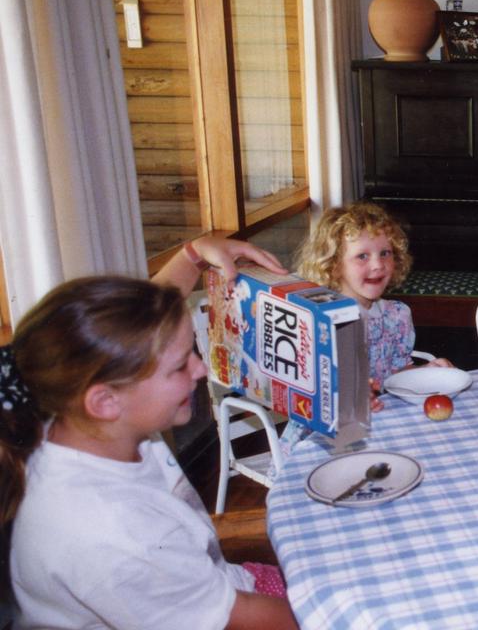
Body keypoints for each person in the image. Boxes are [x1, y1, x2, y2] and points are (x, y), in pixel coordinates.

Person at [1, 237, 299, 629]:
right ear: (105, 400)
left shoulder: (67, 410)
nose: (200, 371)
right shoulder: (112, 530)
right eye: (180, 366)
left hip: (214, 587)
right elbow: (237, 620)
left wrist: (194, 253)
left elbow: (146, 323)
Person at [296, 202, 454, 410]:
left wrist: (426, 371)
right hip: (328, 427)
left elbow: (396, 375)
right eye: (362, 256)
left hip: (383, 416)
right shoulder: (320, 320)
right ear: (334, 266)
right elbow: (306, 389)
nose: (378, 265)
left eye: (385, 253)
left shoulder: (397, 315)